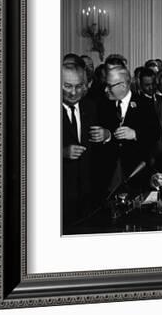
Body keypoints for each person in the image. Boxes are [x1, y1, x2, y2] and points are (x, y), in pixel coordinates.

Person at [96, 66, 160, 198]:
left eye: (109, 86)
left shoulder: (145, 104)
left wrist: (135, 134)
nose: (106, 89)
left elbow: (155, 134)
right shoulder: (102, 105)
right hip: (109, 175)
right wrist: (106, 135)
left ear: (124, 85)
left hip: (137, 173)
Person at [61, 63, 103, 229]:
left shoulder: (91, 106)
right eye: (67, 86)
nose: (73, 92)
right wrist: (60, 153)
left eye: (78, 86)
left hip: (88, 193)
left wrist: (105, 134)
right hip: (59, 194)